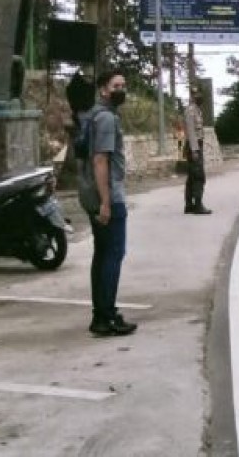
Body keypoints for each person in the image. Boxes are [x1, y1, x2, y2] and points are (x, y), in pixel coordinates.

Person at [86, 70, 136, 337]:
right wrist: (106, 202)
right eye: (116, 86)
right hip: (109, 195)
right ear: (103, 90)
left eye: (124, 85)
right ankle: (106, 316)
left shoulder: (96, 114)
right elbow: (100, 160)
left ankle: (101, 314)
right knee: (113, 254)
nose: (121, 90)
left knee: (103, 254)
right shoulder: (105, 118)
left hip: (99, 194)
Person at [183, 88, 212, 215]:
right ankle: (198, 205)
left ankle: (189, 205)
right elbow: (190, 131)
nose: (199, 96)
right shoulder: (191, 111)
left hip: (195, 145)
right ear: (192, 96)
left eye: (199, 94)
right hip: (193, 146)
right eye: (196, 94)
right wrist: (194, 150)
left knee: (192, 176)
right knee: (199, 176)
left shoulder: (197, 110)